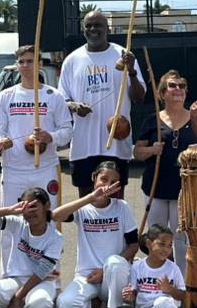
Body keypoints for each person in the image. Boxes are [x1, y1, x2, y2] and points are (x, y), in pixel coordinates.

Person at [0, 45, 72, 265]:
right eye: (22, 62)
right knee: (11, 222)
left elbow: (67, 131)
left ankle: (50, 276)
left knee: (48, 221)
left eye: (30, 61)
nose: (26, 65)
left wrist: (49, 137)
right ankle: (9, 274)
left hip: (44, 169)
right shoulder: (6, 96)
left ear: (40, 64)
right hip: (13, 170)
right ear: (17, 65)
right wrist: (0, 142)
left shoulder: (54, 96)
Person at [58, 10, 146, 197]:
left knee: (115, 201)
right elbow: (61, 101)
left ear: (108, 28)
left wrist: (131, 71)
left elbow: (139, 97)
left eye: (97, 25)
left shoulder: (123, 55)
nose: (92, 29)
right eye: (88, 26)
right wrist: (74, 106)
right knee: (85, 203)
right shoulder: (72, 60)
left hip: (116, 143)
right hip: (84, 146)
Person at [133, 69, 197, 272]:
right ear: (162, 93)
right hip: (155, 189)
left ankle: (182, 283)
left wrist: (196, 118)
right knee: (158, 239)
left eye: (182, 86)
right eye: (172, 85)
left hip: (185, 191)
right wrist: (151, 150)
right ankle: (158, 279)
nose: (178, 89)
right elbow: (137, 152)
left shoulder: (193, 118)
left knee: (181, 239)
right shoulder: (152, 120)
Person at [53, 161, 138, 308]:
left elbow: (133, 245)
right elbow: (55, 216)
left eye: (113, 182)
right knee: (65, 305)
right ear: (94, 178)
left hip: (112, 278)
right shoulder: (82, 208)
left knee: (114, 263)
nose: (107, 185)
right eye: (104, 179)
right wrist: (90, 198)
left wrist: (103, 271)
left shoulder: (121, 206)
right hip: (87, 277)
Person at [0, 188, 61, 308]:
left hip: (42, 280)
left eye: (34, 206)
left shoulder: (56, 237)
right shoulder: (17, 223)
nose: (29, 212)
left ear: (47, 206)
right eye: (25, 207)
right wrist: (10, 210)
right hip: (17, 279)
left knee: (40, 305)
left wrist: (18, 297)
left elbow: (41, 272)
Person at [122, 224, 195, 308]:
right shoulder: (137, 267)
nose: (166, 249)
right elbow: (133, 294)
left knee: (162, 301)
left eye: (170, 245)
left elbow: (183, 295)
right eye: (162, 244)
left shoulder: (173, 268)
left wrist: (169, 289)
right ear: (148, 243)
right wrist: (129, 297)